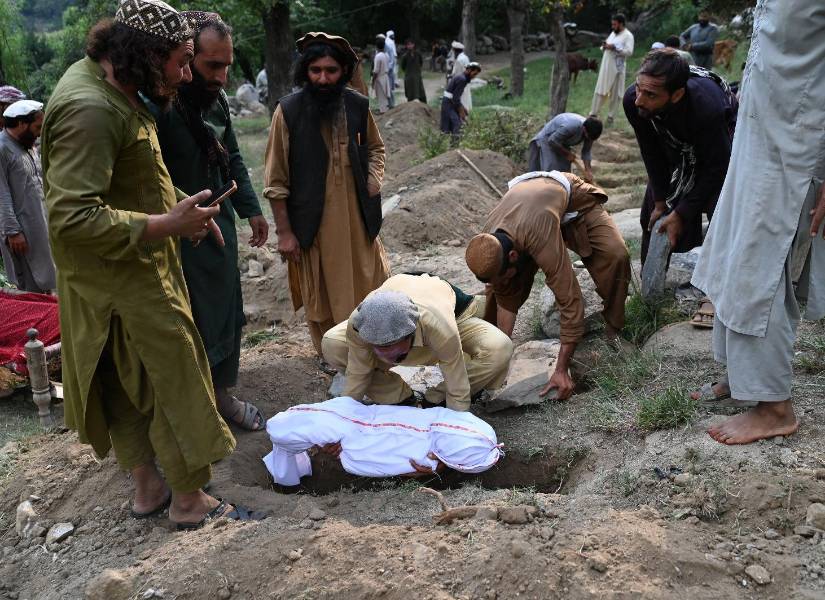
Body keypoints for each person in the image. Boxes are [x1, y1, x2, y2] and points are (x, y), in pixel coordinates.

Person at [41, 0, 250, 529]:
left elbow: (129, 179)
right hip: (128, 280)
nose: (186, 74)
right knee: (172, 382)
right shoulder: (91, 110)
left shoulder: (113, 85)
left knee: (124, 384)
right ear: (145, 54)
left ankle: (149, 489)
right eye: (181, 60)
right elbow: (70, 218)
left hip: (110, 279)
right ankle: (188, 501)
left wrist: (181, 205)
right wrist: (163, 227)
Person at [691, 0, 825, 445]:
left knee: (761, 268)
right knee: (733, 251)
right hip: (758, 136)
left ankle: (774, 407)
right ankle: (742, 377)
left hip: (798, 147)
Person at [150, 11, 268, 431]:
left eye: (225, 66)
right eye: (210, 66)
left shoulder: (216, 102)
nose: (220, 77)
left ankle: (222, 396)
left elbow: (232, 154)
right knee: (193, 320)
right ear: (185, 59)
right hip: (179, 239)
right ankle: (196, 409)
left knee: (225, 314)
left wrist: (252, 209)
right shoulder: (160, 108)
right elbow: (152, 176)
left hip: (220, 230)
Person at [263, 32, 389, 357]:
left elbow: (376, 148)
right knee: (322, 298)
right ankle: (333, 359)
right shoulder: (287, 112)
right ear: (305, 71)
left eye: (331, 70)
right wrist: (285, 233)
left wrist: (374, 180)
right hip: (313, 225)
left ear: (343, 72)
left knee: (368, 287)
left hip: (357, 221)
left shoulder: (357, 105)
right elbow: (275, 181)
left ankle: (371, 355)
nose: (322, 78)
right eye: (315, 70)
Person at [465, 171, 630, 400]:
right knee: (498, 290)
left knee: (616, 255)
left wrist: (560, 370)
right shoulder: (489, 244)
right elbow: (505, 296)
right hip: (532, 212)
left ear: (513, 255)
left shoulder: (537, 235)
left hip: (571, 201)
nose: (501, 282)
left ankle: (613, 328)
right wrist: (500, 358)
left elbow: (569, 297)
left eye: (503, 277)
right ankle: (491, 352)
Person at [623, 49, 737, 327]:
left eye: (650, 95)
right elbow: (650, 150)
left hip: (721, 146)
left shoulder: (707, 107)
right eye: (639, 89)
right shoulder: (634, 101)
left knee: (721, 215)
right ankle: (651, 295)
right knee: (652, 215)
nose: (640, 99)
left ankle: (715, 293)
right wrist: (662, 201)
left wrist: (683, 211)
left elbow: (716, 168)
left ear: (676, 94)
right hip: (676, 146)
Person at [321, 273, 513, 412]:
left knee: (500, 348)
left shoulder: (439, 326)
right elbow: (358, 373)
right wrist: (344, 417)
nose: (387, 357)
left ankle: (436, 399)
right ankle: (398, 398)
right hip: (389, 315)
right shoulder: (360, 323)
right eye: (379, 349)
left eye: (395, 353)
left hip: (456, 318)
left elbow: (457, 387)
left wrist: (454, 429)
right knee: (333, 344)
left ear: (411, 335)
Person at [263, 396, 502, 483]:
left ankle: (289, 478)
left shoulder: (426, 456)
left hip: (359, 430)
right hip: (356, 418)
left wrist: (434, 466)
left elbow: (391, 462)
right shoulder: (334, 418)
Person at [0, 100, 56, 293]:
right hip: (21, 229)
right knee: (31, 284)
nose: (40, 132)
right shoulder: (2, 149)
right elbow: (1, 193)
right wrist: (13, 231)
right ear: (22, 124)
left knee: (50, 275)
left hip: (41, 221)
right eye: (37, 127)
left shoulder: (27, 144)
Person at [527, 113, 602, 183]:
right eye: (588, 137)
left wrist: (588, 170)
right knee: (552, 172)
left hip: (562, 143)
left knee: (565, 175)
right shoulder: (572, 126)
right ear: (584, 129)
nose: (589, 140)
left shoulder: (591, 132)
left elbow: (586, 151)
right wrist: (567, 154)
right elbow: (552, 140)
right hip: (547, 140)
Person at [590, 13, 634, 126]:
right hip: (606, 67)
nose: (613, 26)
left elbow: (629, 51)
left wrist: (615, 48)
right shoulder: (614, 34)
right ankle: (593, 114)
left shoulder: (628, 36)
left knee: (616, 93)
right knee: (601, 89)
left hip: (618, 69)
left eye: (615, 24)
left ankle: (611, 117)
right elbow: (606, 45)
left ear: (621, 24)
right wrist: (605, 46)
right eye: (612, 24)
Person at [440, 62, 481, 140]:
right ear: (469, 70)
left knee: (450, 125)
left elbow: (456, 98)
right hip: (448, 103)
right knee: (456, 124)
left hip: (449, 102)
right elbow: (455, 99)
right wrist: (461, 112)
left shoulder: (462, 77)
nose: (474, 77)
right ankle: (454, 146)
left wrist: (464, 110)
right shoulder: (462, 79)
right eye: (474, 74)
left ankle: (450, 144)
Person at [400, 39, 426, 103]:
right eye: (408, 45)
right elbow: (403, 67)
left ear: (413, 45)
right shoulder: (405, 56)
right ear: (406, 46)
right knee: (410, 94)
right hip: (409, 77)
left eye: (411, 44)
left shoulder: (418, 54)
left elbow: (421, 63)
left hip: (417, 76)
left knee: (420, 93)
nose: (410, 46)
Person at [449, 41, 472, 113]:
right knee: (466, 99)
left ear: (456, 51)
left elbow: (457, 75)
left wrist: (450, 76)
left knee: (461, 99)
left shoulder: (459, 60)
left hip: (460, 83)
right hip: (466, 81)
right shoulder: (465, 57)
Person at [372, 36, 391, 113]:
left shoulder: (378, 56)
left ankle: (383, 110)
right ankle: (385, 108)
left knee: (381, 95)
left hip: (380, 77)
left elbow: (376, 71)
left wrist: (373, 81)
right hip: (385, 76)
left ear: (376, 47)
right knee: (384, 94)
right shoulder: (386, 55)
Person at [384, 30, 397, 109]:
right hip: (390, 63)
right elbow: (392, 52)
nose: (393, 36)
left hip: (389, 64)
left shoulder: (388, 41)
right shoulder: (389, 42)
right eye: (392, 35)